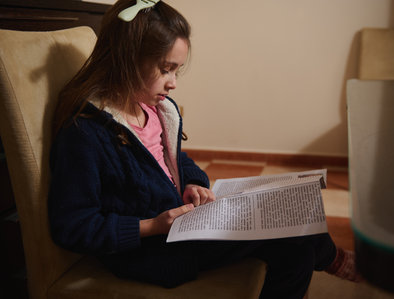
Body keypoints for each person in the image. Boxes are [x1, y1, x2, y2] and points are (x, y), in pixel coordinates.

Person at [47, 0, 361, 297]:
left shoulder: (154, 110)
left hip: (183, 226)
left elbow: (174, 160)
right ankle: (333, 258)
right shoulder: (85, 132)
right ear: (126, 59)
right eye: (166, 68)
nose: (173, 83)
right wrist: (154, 225)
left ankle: (326, 256)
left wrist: (194, 181)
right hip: (153, 251)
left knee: (295, 241)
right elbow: (72, 226)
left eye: (176, 70)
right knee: (296, 231)